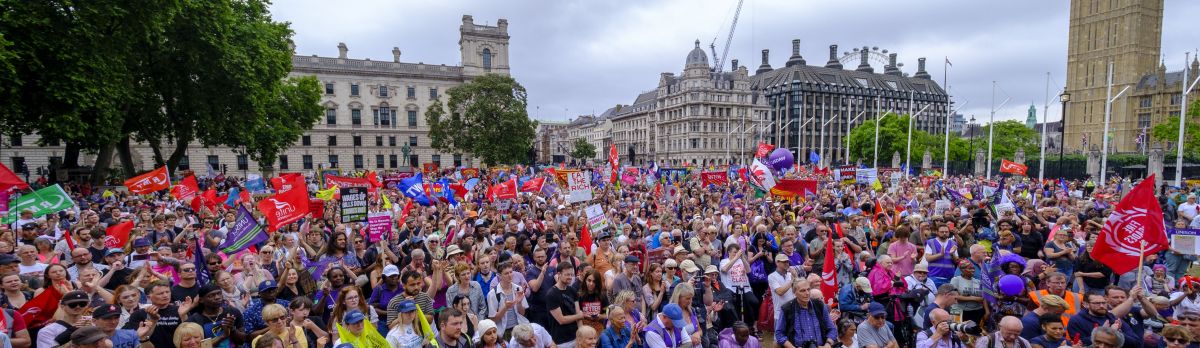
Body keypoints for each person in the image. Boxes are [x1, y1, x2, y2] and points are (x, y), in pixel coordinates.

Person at [775, 279, 837, 348]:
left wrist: (828, 344)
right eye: (803, 290)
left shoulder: (820, 305)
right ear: (794, 292)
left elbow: (832, 329)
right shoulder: (787, 309)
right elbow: (779, 334)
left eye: (808, 289)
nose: (807, 293)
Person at [187, 283, 247, 348]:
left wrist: (232, 329)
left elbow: (242, 340)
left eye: (219, 293)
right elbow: (199, 346)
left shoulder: (232, 312)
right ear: (201, 300)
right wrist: (222, 336)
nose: (217, 297)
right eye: (211, 296)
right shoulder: (195, 320)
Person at [547, 263, 582, 347]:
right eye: (567, 274)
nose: (570, 277)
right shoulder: (551, 294)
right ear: (559, 274)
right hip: (561, 340)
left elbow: (578, 315)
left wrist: (581, 334)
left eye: (571, 274)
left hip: (576, 336)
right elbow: (561, 320)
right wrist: (579, 316)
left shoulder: (572, 290)